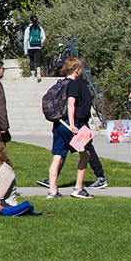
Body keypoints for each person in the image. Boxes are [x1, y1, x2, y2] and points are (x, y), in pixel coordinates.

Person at [45, 57, 94, 199]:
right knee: (85, 154)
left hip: (58, 124)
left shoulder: (60, 83)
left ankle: (52, 191)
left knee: (58, 156)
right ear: (77, 70)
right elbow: (71, 104)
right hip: (71, 125)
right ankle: (78, 188)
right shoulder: (73, 84)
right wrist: (73, 125)